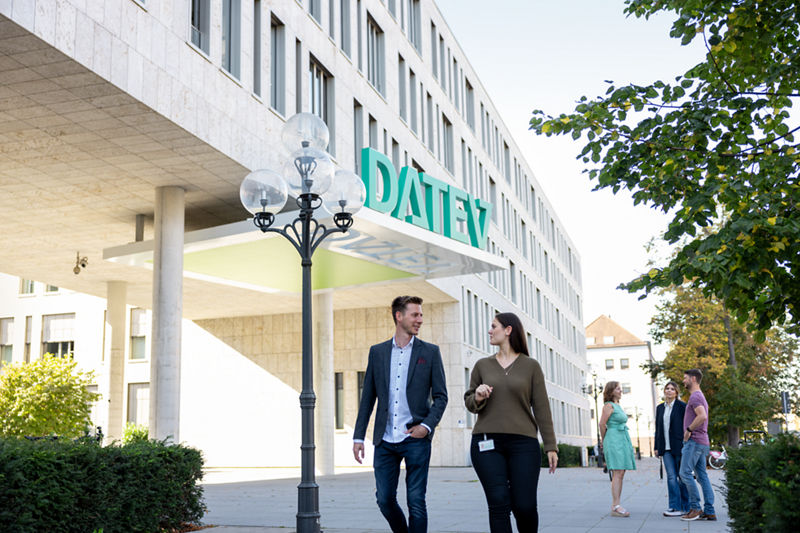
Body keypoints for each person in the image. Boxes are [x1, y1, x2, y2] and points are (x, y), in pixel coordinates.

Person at [353, 295, 448, 533]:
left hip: (415, 438)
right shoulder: (378, 352)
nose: (420, 320)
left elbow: (441, 396)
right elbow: (368, 398)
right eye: (415, 314)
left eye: (421, 315)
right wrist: (358, 437)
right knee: (384, 499)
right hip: (385, 440)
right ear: (399, 316)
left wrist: (426, 426)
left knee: (416, 502)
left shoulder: (430, 352)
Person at [464, 313, 558, 533]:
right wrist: (477, 396)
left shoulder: (531, 366)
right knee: (498, 503)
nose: (489, 330)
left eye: (493, 326)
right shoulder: (482, 365)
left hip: (523, 443)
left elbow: (542, 407)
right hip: (486, 442)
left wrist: (551, 446)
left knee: (524, 505)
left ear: (508, 330)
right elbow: (469, 402)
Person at [679, 368, 716, 521]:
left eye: (685, 378)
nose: (683, 380)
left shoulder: (695, 397)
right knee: (702, 476)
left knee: (684, 473)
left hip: (694, 442)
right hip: (701, 441)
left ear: (693, 379)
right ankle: (709, 510)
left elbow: (702, 416)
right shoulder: (699, 396)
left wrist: (689, 430)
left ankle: (695, 508)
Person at [599, 381, 636, 517]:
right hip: (614, 439)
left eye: (620, 389)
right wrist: (605, 440)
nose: (621, 391)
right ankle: (615, 506)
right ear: (611, 391)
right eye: (618, 389)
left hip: (622, 439)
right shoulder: (608, 406)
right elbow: (602, 424)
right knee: (617, 472)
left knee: (621, 472)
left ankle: (617, 504)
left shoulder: (617, 405)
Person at [654, 381, 688, 517]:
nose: (669, 391)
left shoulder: (682, 406)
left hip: (679, 446)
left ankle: (686, 507)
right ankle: (673, 506)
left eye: (672, 389)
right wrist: (657, 447)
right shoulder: (660, 408)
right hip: (665, 448)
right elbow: (658, 429)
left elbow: (687, 425)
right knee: (671, 477)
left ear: (676, 392)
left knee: (682, 477)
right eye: (667, 388)